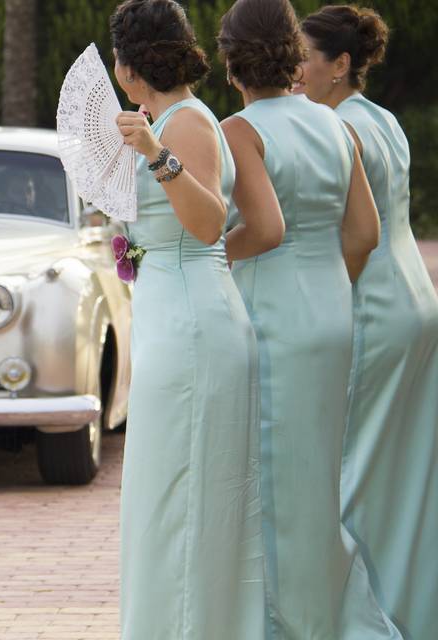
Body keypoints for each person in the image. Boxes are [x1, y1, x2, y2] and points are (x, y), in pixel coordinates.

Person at [218, 0, 401, 638]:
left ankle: (288, 622)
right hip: (332, 313)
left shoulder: (240, 132)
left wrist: (213, 254)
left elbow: (260, 231)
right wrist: (329, 289)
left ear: (231, 60)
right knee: (317, 476)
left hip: (278, 320)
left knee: (275, 480)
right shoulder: (334, 125)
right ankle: (333, 611)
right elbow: (365, 233)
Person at [109, 1, 264, 637]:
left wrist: (154, 152)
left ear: (128, 68)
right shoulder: (159, 120)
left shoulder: (188, 123)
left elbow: (207, 225)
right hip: (167, 318)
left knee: (186, 493)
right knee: (162, 493)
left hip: (195, 326)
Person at [297, 7, 438, 639]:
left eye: (305, 57)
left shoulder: (335, 130)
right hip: (414, 301)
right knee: (403, 475)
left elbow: (347, 237)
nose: (295, 70)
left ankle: (363, 623)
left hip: (373, 308)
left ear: (341, 65)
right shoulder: (382, 120)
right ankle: (407, 609)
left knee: (349, 473)